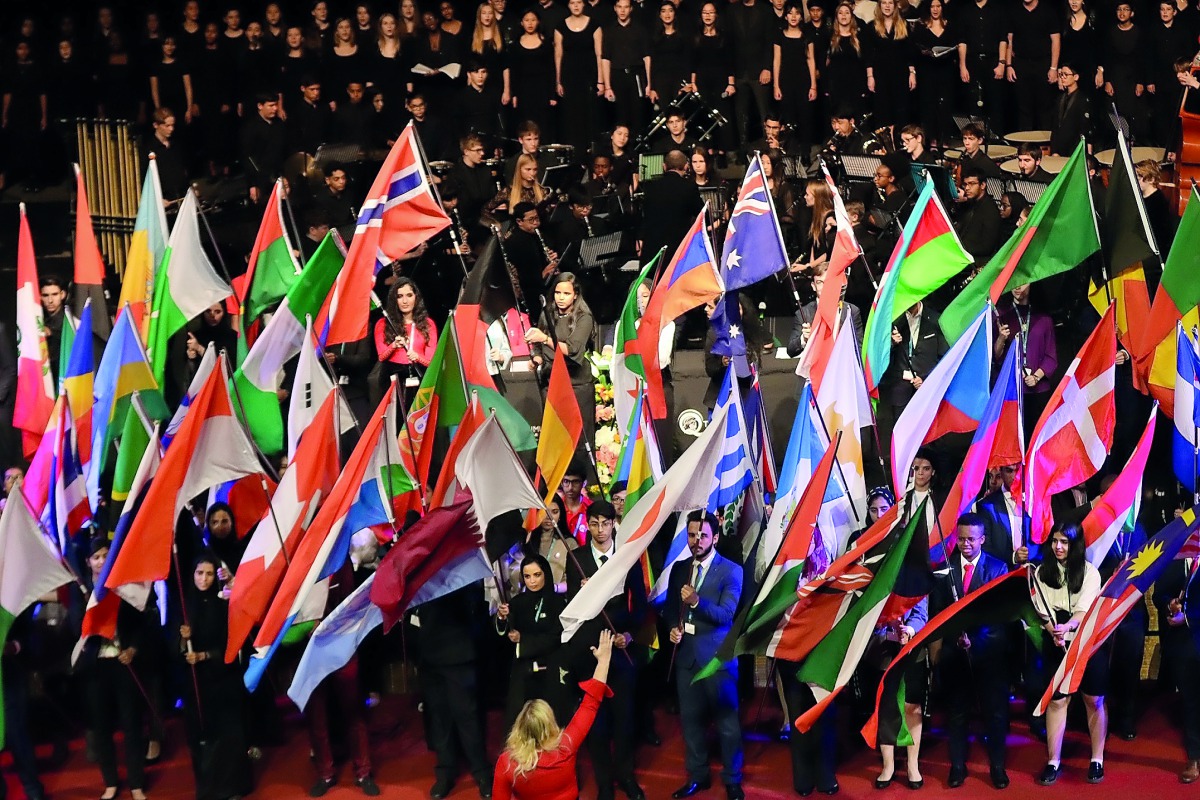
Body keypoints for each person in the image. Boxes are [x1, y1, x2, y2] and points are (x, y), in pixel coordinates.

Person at [564, 501, 648, 800]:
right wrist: (585, 593)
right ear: (588, 524)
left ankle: (626, 776)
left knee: (624, 719)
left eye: (606, 523)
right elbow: (572, 608)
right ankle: (603, 784)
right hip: (589, 652)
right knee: (596, 723)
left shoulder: (627, 557)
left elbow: (640, 605)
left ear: (614, 524)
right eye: (595, 523)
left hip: (621, 651)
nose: (600, 530)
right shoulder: (576, 559)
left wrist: (629, 634)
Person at [665, 511, 745, 800]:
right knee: (691, 722)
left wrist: (697, 601)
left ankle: (733, 779)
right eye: (691, 535)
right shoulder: (679, 569)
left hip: (717, 659)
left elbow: (726, 615)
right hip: (686, 658)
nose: (696, 541)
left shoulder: (732, 570)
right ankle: (697, 775)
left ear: (715, 538)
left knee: (727, 723)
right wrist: (673, 628)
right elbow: (671, 609)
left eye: (702, 535)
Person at [931, 514, 1012, 790]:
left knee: (995, 713)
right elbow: (938, 613)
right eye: (961, 539)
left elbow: (998, 613)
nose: (965, 544)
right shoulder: (944, 569)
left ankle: (997, 767)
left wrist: (974, 640)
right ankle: (957, 765)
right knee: (957, 713)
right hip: (955, 655)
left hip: (989, 655)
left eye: (971, 540)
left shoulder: (998, 568)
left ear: (982, 539)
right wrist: (954, 640)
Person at [492, 630, 615, 800]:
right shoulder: (566, 746)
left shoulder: (507, 763)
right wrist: (603, 661)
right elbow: (590, 704)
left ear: (519, 728)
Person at [1030, 522, 1106, 785]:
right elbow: (1041, 609)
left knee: (1093, 700)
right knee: (1057, 700)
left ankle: (1097, 759)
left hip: (1086, 642)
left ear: (1075, 545)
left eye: (1064, 542)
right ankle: (1053, 760)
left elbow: (1083, 612)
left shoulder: (1090, 573)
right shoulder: (1041, 572)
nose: (1058, 547)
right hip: (1055, 641)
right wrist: (1053, 630)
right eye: (1054, 541)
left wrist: (1068, 627)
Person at [178, 553, 253, 800]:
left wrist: (204, 656)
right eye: (200, 573)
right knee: (202, 736)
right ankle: (209, 789)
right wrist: (183, 640)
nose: (204, 579)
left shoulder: (223, 606)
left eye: (209, 574)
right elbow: (171, 648)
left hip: (223, 680)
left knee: (228, 735)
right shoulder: (185, 607)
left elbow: (230, 644)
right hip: (197, 684)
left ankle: (232, 787)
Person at [80, 538, 149, 800]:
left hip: (124, 662)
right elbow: (76, 625)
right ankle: (110, 782)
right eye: (96, 557)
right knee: (102, 727)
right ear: (88, 562)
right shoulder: (82, 590)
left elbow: (142, 622)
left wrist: (133, 648)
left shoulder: (124, 585)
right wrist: (91, 613)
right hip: (96, 667)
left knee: (132, 724)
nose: (101, 561)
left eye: (105, 556)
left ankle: (136, 783)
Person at [496, 554, 568, 726]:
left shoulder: (558, 603)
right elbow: (503, 636)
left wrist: (524, 640)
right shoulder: (516, 603)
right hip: (523, 673)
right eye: (527, 576)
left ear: (546, 574)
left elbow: (556, 637)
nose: (532, 581)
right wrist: (502, 618)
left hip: (550, 671)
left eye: (537, 575)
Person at [527, 273, 596, 447]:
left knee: (579, 439)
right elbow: (538, 346)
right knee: (555, 439)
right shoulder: (547, 314)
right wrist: (537, 358)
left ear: (575, 295)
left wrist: (545, 339)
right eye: (558, 293)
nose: (561, 298)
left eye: (566, 293)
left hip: (576, 385)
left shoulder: (584, 317)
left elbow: (572, 350)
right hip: (551, 383)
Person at [1153, 549, 1200, 783]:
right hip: (1185, 644)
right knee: (1191, 700)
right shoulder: (1176, 556)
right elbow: (1158, 595)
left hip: (1193, 628)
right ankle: (1194, 757)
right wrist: (1170, 605)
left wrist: (1188, 618)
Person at [373, 278, 438, 401]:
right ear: (394, 300)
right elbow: (381, 356)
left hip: (419, 379)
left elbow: (431, 361)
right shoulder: (383, 324)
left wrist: (417, 357)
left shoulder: (428, 324)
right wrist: (393, 345)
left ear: (416, 297)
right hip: (392, 381)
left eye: (409, 295)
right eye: (400, 296)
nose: (405, 301)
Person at [554, 0, 604, 154]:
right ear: (568, 5)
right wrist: (558, 81)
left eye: (579, 2)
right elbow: (558, 55)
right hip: (569, 78)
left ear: (583, 4)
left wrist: (600, 81)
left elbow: (599, 54)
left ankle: (590, 154)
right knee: (571, 118)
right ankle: (574, 154)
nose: (575, 6)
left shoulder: (594, 25)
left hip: (589, 77)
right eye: (572, 2)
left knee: (589, 117)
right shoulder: (560, 26)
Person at [638, 149, 704, 264]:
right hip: (679, 250)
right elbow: (702, 215)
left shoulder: (650, 187)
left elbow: (644, 216)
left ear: (664, 166)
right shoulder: (689, 187)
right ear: (686, 166)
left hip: (652, 249)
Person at [1007, 0, 1062, 130]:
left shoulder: (1048, 11)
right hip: (1021, 64)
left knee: (1045, 107)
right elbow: (1009, 40)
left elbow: (1056, 40)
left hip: (1043, 64)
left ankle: (1045, 141)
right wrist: (1009, 65)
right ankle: (1025, 140)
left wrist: (1053, 68)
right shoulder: (1014, 11)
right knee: (1023, 107)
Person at [773, 4, 818, 155]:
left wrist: (813, 85)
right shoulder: (779, 36)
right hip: (785, 81)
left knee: (805, 118)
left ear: (801, 17)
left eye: (797, 13)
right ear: (785, 16)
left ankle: (805, 152)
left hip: (803, 81)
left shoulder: (807, 36)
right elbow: (777, 61)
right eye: (790, 13)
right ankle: (789, 153)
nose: (793, 16)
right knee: (788, 118)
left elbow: (811, 60)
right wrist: (776, 86)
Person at [601, 0, 651, 134]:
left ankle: (637, 145)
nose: (622, 10)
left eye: (626, 7)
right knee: (620, 116)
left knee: (638, 115)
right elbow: (605, 59)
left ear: (631, 9)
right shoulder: (609, 30)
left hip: (636, 75)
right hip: (617, 76)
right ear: (615, 8)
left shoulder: (640, 29)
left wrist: (649, 84)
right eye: (619, 7)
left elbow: (647, 57)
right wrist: (607, 86)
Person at [864, 0, 915, 131]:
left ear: (895, 6)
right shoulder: (871, 26)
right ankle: (885, 142)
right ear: (879, 6)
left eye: (890, 3)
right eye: (884, 3)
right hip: (880, 75)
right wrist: (870, 76)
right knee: (882, 111)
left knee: (902, 111)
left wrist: (912, 73)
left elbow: (909, 52)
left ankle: (902, 141)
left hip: (900, 74)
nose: (887, 6)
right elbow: (868, 55)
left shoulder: (904, 24)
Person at [511, 12, 557, 137]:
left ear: (538, 22)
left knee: (543, 122)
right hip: (523, 89)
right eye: (526, 20)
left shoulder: (545, 43)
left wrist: (552, 95)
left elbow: (551, 68)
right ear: (521, 23)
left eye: (533, 20)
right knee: (525, 122)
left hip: (542, 88)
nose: (530, 23)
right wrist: (514, 94)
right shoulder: (516, 44)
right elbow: (514, 71)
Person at [824, 3, 868, 117]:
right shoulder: (830, 37)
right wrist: (827, 87)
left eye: (847, 13)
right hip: (836, 85)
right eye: (840, 13)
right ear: (836, 16)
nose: (843, 15)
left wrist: (863, 86)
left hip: (855, 84)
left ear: (851, 16)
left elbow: (863, 63)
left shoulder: (859, 37)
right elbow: (826, 64)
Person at [954, 166, 1002, 263]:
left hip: (976, 261)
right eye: (965, 184)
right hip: (963, 255)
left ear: (982, 185)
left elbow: (987, 247)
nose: (967, 188)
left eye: (972, 184)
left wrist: (961, 250)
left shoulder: (990, 210)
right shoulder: (970, 203)